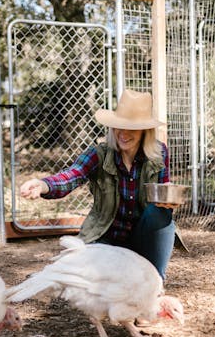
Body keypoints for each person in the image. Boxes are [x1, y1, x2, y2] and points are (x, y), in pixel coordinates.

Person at [19, 89, 181, 281]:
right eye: (119, 126)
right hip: (105, 239)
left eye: (132, 128)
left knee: (159, 214)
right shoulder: (99, 153)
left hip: (142, 240)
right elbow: (71, 175)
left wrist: (169, 202)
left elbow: (163, 195)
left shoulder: (159, 153)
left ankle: (156, 281)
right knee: (89, 280)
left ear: (145, 131)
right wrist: (43, 184)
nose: (123, 133)